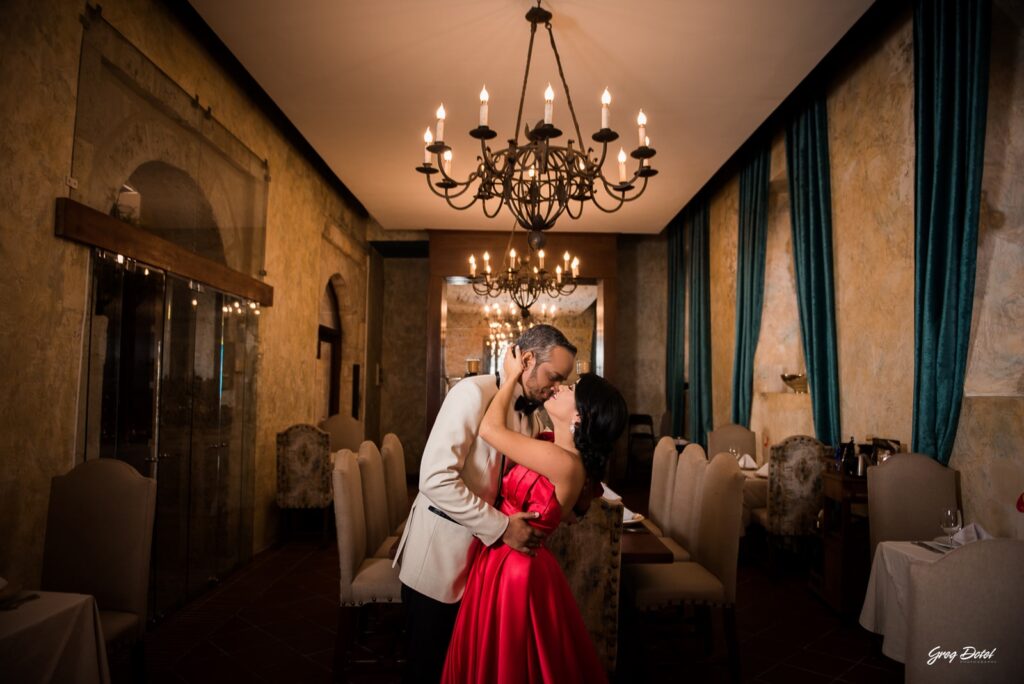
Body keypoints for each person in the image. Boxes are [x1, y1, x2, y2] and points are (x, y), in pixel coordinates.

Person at [393, 325, 578, 683]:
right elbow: (433, 478)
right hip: (439, 565)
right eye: (554, 377)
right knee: (428, 670)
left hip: (483, 573)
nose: (556, 388)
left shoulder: (534, 415)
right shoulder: (471, 394)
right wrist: (504, 526)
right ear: (526, 360)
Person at [441, 345, 628, 684]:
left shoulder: (564, 463)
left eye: (570, 389)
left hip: (515, 569)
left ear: (579, 417)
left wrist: (511, 374)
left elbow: (490, 431)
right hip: (502, 558)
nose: (559, 387)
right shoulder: (550, 445)